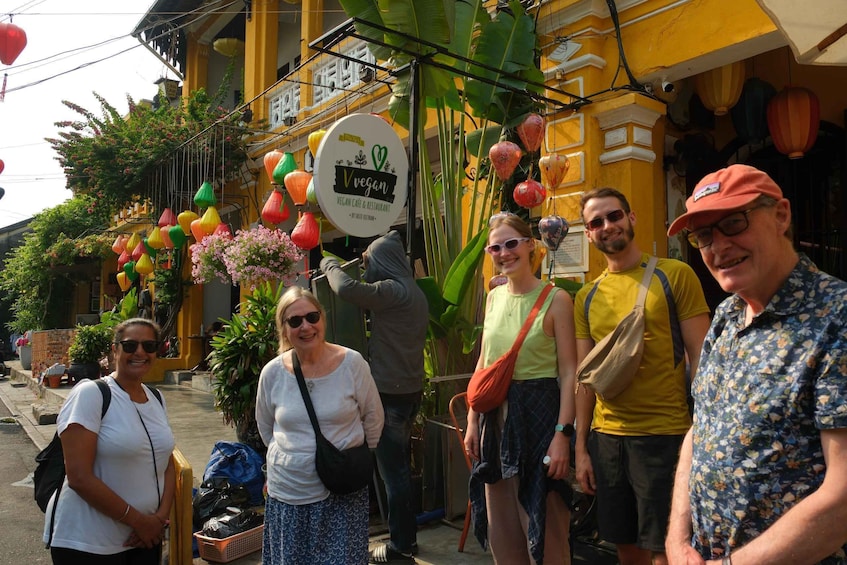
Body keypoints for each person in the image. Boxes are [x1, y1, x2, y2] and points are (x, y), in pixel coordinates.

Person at [665, 165, 847, 565]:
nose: (719, 247)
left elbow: (843, 495)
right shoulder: (727, 314)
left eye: (733, 222)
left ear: (781, 215)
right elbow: (702, 428)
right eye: (704, 236)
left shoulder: (836, 315)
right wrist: (676, 542)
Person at [574, 188, 710, 565]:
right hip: (608, 440)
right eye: (596, 222)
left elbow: (701, 356)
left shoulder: (674, 275)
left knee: (667, 549)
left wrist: (704, 430)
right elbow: (585, 379)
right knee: (624, 546)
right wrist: (581, 447)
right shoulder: (587, 295)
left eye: (614, 216)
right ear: (588, 234)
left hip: (665, 435)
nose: (607, 226)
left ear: (631, 218)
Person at [463, 212, 577, 565]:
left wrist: (562, 434)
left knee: (547, 528)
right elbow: (484, 360)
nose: (504, 253)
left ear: (531, 245)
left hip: (539, 417)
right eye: (495, 247)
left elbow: (570, 372)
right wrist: (472, 420)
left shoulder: (556, 300)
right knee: (503, 528)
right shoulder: (494, 296)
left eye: (512, 243)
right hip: (495, 421)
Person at [319, 230, 429, 563]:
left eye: (372, 262)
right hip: (409, 390)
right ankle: (407, 539)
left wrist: (328, 262)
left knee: (392, 474)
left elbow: (345, 288)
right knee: (399, 472)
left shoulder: (393, 291)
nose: (369, 268)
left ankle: (398, 547)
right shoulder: (414, 291)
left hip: (390, 396)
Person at [256, 286, 384, 565]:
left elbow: (373, 418)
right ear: (284, 328)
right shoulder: (273, 373)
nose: (306, 326)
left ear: (322, 319)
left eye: (312, 317)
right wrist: (295, 458)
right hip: (288, 493)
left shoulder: (352, 364)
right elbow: (266, 427)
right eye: (295, 321)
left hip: (341, 491)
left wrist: (350, 458)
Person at [44, 318, 175, 564]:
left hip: (145, 538)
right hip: (90, 543)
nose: (139, 352)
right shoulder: (91, 394)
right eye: (129, 346)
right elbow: (79, 477)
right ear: (114, 351)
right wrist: (139, 521)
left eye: (148, 346)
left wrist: (159, 520)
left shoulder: (156, 398)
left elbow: (166, 462)